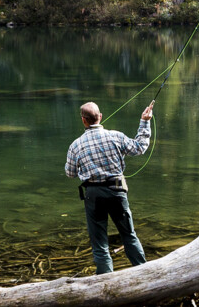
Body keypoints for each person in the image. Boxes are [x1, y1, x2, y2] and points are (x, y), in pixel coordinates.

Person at [64, 100, 156, 274]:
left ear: (83, 120)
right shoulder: (116, 136)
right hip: (117, 192)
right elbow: (139, 148)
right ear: (100, 117)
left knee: (99, 242)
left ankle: (106, 282)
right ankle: (145, 274)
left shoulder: (75, 145)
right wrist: (145, 121)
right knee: (128, 235)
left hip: (93, 195)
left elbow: (70, 173)